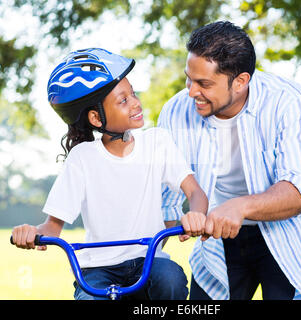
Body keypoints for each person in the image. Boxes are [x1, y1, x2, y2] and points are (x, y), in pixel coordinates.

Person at [11, 48, 208, 300]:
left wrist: (197, 215)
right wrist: (31, 233)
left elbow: (195, 192)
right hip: (98, 268)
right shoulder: (82, 158)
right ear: (96, 117)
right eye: (123, 100)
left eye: (133, 94)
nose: (136, 103)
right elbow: (53, 225)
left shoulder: (157, 142)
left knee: (170, 279)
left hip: (148, 260)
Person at [158, 21, 301, 300]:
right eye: (189, 79)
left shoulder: (289, 102)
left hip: (288, 238)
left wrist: (240, 207)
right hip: (217, 242)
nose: (191, 92)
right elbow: (164, 197)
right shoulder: (175, 111)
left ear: (240, 82)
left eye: (204, 84)